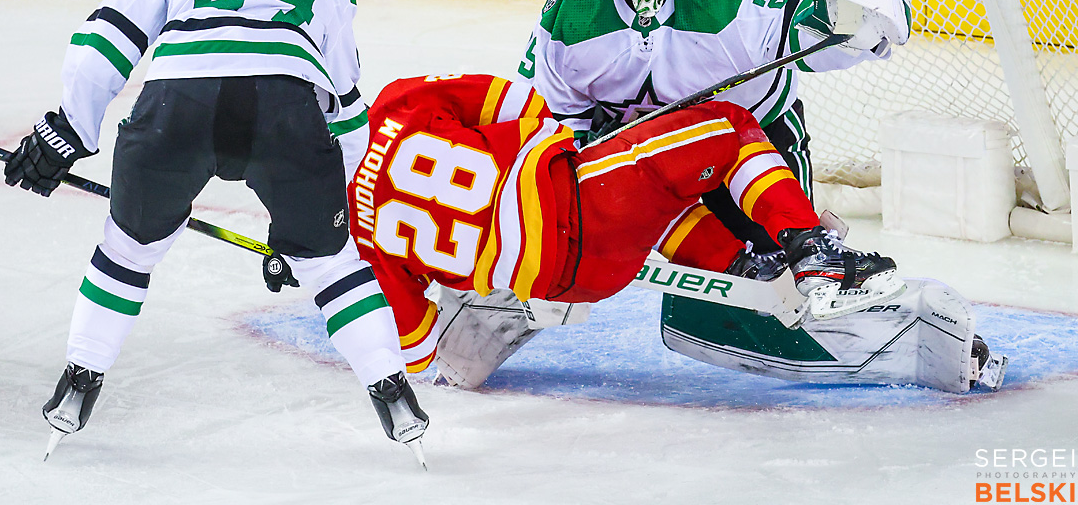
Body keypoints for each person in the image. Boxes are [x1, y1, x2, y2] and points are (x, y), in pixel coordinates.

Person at [4, 0, 428, 462]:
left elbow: (105, 38)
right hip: (286, 111)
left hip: (181, 100)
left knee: (128, 250)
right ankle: (391, 390)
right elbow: (347, 114)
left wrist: (71, 128)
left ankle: (78, 382)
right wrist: (310, 222)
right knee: (332, 265)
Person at [514, 0, 1004, 393]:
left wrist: (851, 17)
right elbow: (547, 110)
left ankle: (881, 321)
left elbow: (799, 24)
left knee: (793, 268)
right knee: (590, 220)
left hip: (751, 149)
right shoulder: (574, 3)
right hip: (649, 155)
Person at [342, 73, 906, 389]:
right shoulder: (397, 104)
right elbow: (525, 102)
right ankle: (812, 248)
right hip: (589, 205)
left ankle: (737, 263)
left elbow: (415, 352)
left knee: (659, 204)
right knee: (730, 128)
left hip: (568, 284)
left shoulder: (360, 241)